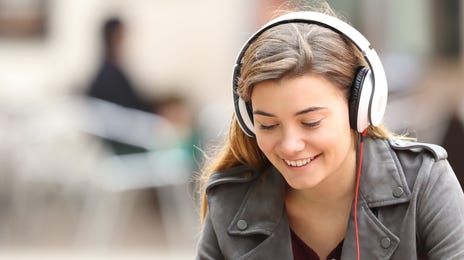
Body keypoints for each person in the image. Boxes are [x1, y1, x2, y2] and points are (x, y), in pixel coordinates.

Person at [195, 4, 464, 260]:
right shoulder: (229, 200)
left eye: (310, 122)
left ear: (359, 109)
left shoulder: (424, 182)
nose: (289, 145)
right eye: (268, 125)